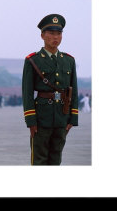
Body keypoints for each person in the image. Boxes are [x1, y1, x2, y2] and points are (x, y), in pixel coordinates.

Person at [22, 14, 78, 165]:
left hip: (62, 117)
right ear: (42, 36)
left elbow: (74, 90)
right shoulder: (33, 60)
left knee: (56, 159)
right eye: (51, 33)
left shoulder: (69, 60)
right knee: (39, 160)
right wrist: (31, 121)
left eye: (59, 33)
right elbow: (26, 94)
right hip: (41, 118)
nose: (56, 37)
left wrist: (73, 118)